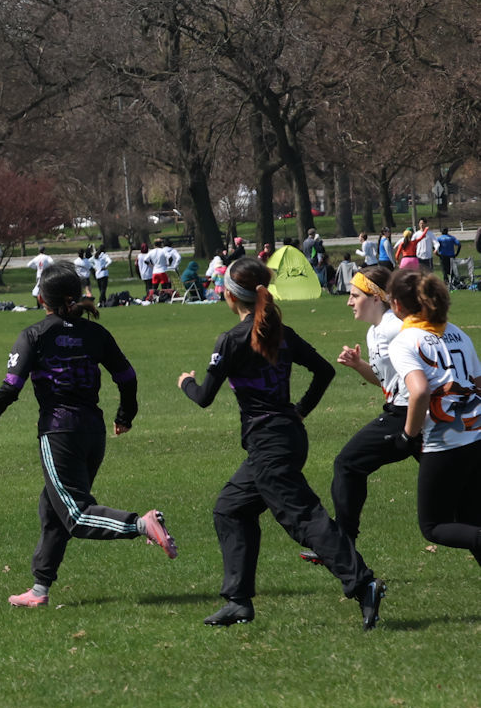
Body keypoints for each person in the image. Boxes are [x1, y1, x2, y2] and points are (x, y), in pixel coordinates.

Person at [179, 257, 386, 628]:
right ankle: (238, 601)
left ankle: (363, 583)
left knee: (303, 518)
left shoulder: (232, 339)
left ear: (230, 295)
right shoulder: (280, 332)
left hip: (269, 444)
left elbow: (204, 396)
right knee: (231, 509)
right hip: (285, 437)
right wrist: (299, 411)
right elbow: (324, 371)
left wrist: (186, 383)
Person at [0, 265, 176, 607]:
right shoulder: (95, 333)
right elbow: (127, 377)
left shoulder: (34, 334)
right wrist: (125, 416)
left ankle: (142, 525)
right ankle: (39, 589)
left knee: (76, 515)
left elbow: (12, 385)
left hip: (59, 431)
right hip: (93, 432)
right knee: (53, 509)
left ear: (42, 299)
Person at [304, 266, 409, 561]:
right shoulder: (375, 332)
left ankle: (341, 545)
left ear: (376, 297)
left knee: (348, 464)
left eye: (355, 295)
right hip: (407, 413)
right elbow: (386, 381)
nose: (349, 301)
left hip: (410, 414)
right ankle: (343, 544)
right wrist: (359, 365)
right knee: (453, 500)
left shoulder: (396, 328)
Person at [387, 268, 481, 562]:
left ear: (397, 305)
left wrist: (407, 436)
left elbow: (419, 392)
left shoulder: (405, 341)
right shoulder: (456, 332)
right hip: (476, 436)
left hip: (445, 443)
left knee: (434, 526)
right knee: (470, 519)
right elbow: (478, 384)